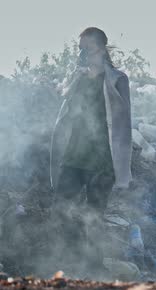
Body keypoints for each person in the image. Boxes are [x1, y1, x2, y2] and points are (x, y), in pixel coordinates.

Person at [50, 27, 132, 273]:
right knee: (62, 208)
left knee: (95, 215)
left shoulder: (118, 79)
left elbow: (123, 122)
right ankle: (74, 260)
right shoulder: (78, 77)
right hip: (74, 154)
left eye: (85, 48)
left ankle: (95, 267)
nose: (81, 53)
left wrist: (123, 162)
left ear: (100, 48)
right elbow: (66, 109)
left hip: (102, 159)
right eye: (79, 48)